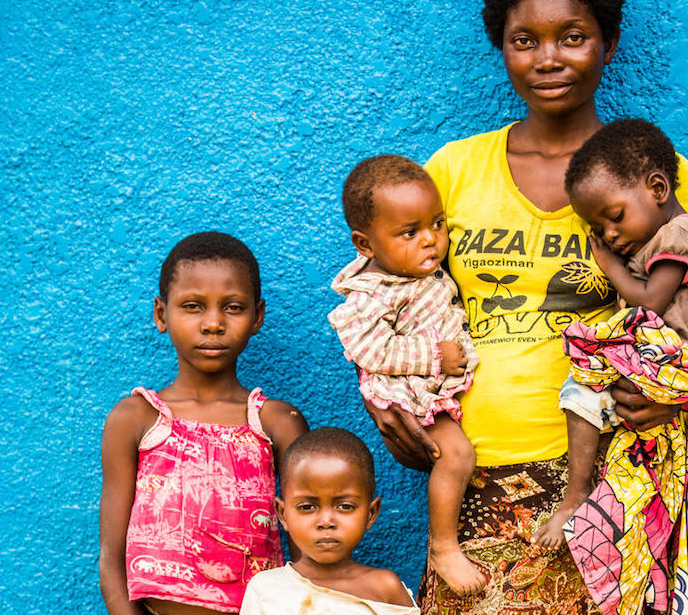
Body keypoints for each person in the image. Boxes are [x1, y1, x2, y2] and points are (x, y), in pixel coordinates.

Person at [363, 0, 688, 615]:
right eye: (525, 39)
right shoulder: (451, 172)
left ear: (608, 44)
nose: (548, 58)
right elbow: (382, 299)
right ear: (502, 46)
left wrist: (682, 393)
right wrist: (381, 395)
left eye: (573, 36)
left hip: (615, 480)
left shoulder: (653, 180)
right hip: (474, 488)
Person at [536, 118, 688, 614]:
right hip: (667, 369)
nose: (610, 234)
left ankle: (575, 499)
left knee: (582, 385)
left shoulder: (679, 234)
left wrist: (609, 265)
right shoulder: (679, 235)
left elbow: (649, 304)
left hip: (673, 361)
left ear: (658, 188)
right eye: (598, 229)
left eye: (614, 217)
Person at [99, 231, 309, 615]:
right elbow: (111, 561)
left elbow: (306, 560)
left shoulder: (277, 423)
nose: (213, 323)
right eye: (193, 306)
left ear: (257, 316)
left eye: (233, 307)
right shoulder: (136, 419)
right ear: (162, 314)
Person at [327, 155, 484, 595]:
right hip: (411, 390)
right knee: (456, 457)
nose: (431, 241)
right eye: (410, 233)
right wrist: (436, 356)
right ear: (365, 244)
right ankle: (444, 547)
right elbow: (370, 349)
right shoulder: (369, 295)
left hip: (434, 383)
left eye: (438, 224)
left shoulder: (415, 272)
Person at [239, 427, 420, 614]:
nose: (326, 522)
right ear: (283, 514)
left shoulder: (384, 588)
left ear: (371, 513)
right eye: (307, 507)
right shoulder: (266, 588)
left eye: (345, 506)